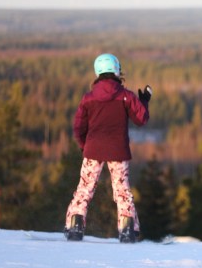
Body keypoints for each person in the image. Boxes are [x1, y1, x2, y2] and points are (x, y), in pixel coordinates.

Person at [64, 53, 152, 243]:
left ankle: (75, 225)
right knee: (122, 191)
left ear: (98, 72)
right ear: (117, 70)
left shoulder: (88, 98)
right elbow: (141, 119)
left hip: (93, 149)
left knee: (85, 188)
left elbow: (79, 128)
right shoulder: (126, 96)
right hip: (118, 151)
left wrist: (85, 147)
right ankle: (127, 229)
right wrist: (144, 101)